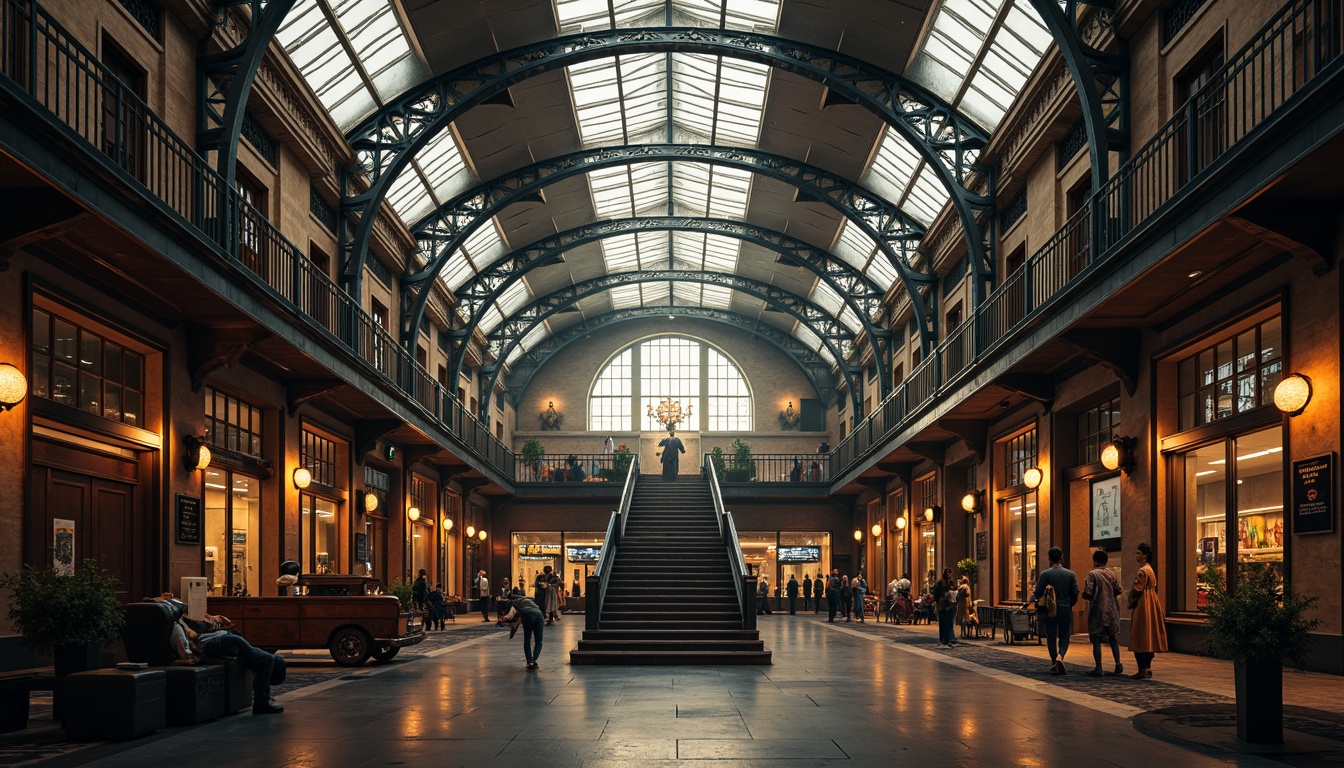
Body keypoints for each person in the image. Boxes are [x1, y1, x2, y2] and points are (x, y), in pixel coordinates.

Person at [163, 599, 286, 715]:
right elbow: (185, 648)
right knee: (261, 656)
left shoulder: (183, 622)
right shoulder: (176, 628)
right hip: (211, 644)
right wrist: (193, 652)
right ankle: (262, 702)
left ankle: (263, 697)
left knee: (276, 660)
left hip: (220, 638)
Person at [1032, 546, 1080, 674]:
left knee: (1051, 635)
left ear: (1049, 559)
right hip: (1065, 607)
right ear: (1061, 558)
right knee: (1064, 635)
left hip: (1050, 609)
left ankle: (1054, 661)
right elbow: (1075, 592)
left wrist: (1032, 601)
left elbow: (1038, 592)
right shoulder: (1071, 574)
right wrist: (1069, 603)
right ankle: (1061, 656)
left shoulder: (1045, 574)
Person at [1128, 542, 1168, 679]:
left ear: (1145, 555)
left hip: (1144, 603)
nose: (1136, 556)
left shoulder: (1142, 571)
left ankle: (1142, 669)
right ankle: (1147, 667)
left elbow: (1137, 589)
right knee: (1150, 633)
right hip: (1152, 601)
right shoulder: (1150, 569)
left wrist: (1130, 599)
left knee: (1140, 635)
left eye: (1139, 553)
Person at [1082, 549, 1124, 677]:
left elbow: (1088, 592)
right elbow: (1118, 589)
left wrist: (1083, 595)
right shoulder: (1112, 574)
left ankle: (1099, 668)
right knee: (1112, 637)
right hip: (1111, 609)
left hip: (1098, 609)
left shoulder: (1092, 574)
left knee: (1096, 638)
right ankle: (1118, 663)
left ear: (1095, 561)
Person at [499, 594, 545, 669]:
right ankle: (533, 660)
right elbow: (520, 619)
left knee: (527, 640)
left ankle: (529, 661)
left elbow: (509, 616)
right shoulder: (529, 601)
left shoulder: (514, 603)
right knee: (539, 641)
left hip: (527, 616)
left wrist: (502, 619)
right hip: (539, 616)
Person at [933, 568, 958, 646]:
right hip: (943, 605)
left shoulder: (950, 582)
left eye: (950, 573)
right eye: (948, 574)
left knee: (949, 622)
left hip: (950, 605)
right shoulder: (941, 583)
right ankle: (945, 639)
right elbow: (936, 594)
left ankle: (948, 638)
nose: (949, 575)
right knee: (944, 622)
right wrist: (940, 601)